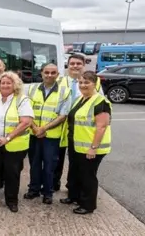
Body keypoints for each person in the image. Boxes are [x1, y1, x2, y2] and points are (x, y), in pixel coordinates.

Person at [0, 71, 34, 212]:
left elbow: (26, 122)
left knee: (12, 172)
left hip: (13, 144)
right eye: (3, 83)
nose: (5, 85)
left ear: (15, 85)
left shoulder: (22, 100)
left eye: (9, 82)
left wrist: (7, 138)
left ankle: (11, 200)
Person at [59, 71, 112, 214]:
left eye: (87, 82)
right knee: (75, 172)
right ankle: (74, 197)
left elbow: (101, 127)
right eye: (81, 82)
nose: (83, 85)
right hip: (76, 145)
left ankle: (88, 205)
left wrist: (93, 148)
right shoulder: (80, 99)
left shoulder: (100, 102)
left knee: (88, 176)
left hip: (90, 147)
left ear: (95, 84)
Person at [53, 52, 103, 191]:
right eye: (72, 64)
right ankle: (54, 184)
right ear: (68, 66)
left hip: (83, 128)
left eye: (78, 64)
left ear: (84, 65)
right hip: (62, 125)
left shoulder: (95, 81)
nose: (75, 66)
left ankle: (73, 188)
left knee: (78, 161)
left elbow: (100, 102)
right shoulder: (60, 81)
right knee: (57, 158)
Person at [23, 63, 71, 204]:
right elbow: (26, 111)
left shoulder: (65, 91)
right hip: (34, 134)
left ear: (57, 75)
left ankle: (48, 193)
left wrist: (43, 129)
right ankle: (34, 190)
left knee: (50, 166)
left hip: (52, 137)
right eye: (47, 72)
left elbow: (63, 115)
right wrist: (35, 128)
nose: (49, 75)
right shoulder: (31, 89)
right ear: (42, 73)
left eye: (53, 72)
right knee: (35, 164)